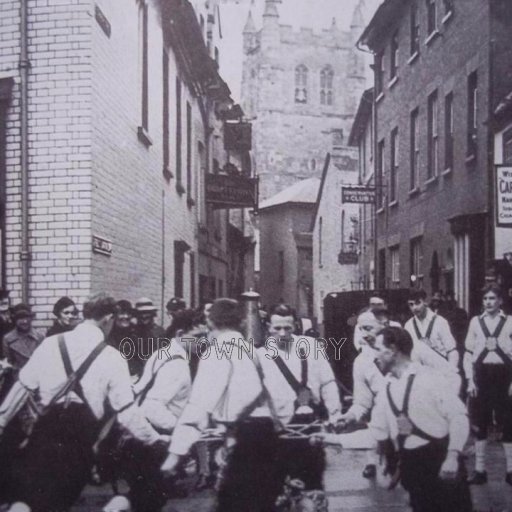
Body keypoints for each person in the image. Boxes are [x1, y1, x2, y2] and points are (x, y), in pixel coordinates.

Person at [0, 293, 165, 512]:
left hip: (44, 431)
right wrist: (153, 439)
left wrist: (1, 421)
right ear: (108, 319)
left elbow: (23, 386)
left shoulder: (50, 343)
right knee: (57, 501)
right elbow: (126, 411)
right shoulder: (112, 356)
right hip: (79, 440)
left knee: (29, 498)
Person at [161, 298, 280, 512]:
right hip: (266, 433)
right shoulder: (252, 350)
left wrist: (174, 454)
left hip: (241, 437)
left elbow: (199, 405)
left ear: (210, 323)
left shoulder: (216, 352)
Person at [369, 327, 472, 512]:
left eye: (377, 349)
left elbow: (459, 417)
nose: (374, 356)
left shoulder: (430, 378)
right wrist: (331, 437)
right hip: (413, 471)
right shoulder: (385, 389)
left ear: (392, 350)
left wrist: (452, 456)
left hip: (442, 467)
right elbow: (378, 432)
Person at [103, 310, 194, 512]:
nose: (203, 342)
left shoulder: (162, 353)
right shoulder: (177, 365)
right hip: (155, 439)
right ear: (180, 333)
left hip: (139, 435)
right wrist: (180, 429)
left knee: (146, 497)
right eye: (198, 337)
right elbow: (152, 406)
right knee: (147, 498)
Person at [257, 303, 342, 491]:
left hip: (311, 426)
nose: (282, 333)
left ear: (295, 326)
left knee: (313, 485)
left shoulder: (311, 347)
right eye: (276, 328)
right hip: (280, 429)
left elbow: (328, 382)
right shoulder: (260, 356)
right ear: (268, 328)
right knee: (279, 488)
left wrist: (335, 415)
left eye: (287, 328)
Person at [463, 283, 512, 485]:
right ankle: (480, 471)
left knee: (508, 424)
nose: (488, 302)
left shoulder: (509, 322)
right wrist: (470, 380)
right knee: (480, 424)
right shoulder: (475, 322)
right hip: (482, 376)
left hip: (504, 376)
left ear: (500, 301)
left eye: (492, 298)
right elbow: (468, 353)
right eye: (485, 299)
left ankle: (510, 471)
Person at [338, 310, 386, 479]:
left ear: (384, 325)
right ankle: (371, 462)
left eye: (368, 328)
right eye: (361, 329)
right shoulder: (361, 362)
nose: (364, 335)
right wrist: (348, 417)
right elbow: (362, 403)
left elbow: (448, 373)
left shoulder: (411, 348)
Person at [405, 289, 461, 387]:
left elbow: (452, 351)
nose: (414, 307)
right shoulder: (408, 325)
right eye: (411, 304)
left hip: (440, 373)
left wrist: (451, 373)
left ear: (425, 302)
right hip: (420, 377)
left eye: (418, 303)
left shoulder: (440, 322)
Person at [2, 304, 44, 373]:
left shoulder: (40, 337)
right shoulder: (8, 339)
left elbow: (44, 361)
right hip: (17, 379)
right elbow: (8, 364)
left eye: (27, 317)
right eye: (21, 318)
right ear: (15, 320)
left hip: (37, 376)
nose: (25, 321)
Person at [132, 298, 166, 378]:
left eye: (147, 313)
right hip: (138, 374)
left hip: (157, 373)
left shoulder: (160, 332)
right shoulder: (132, 333)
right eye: (141, 313)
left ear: (152, 314)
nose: (144, 316)